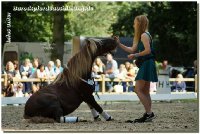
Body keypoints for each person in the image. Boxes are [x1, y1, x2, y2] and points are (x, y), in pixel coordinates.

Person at [115, 15, 158, 123]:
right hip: (147, 63)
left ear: (139, 23)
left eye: (135, 23)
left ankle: (149, 113)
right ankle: (149, 114)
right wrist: (119, 44)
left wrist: (135, 55)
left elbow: (148, 51)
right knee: (145, 91)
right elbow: (131, 49)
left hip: (147, 63)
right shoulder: (142, 36)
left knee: (138, 89)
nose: (134, 25)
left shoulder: (144, 35)